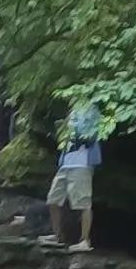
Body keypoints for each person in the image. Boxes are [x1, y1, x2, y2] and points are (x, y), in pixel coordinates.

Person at [49, 100, 103, 249]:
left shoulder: (92, 110)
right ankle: (57, 236)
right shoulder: (72, 111)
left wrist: (72, 128)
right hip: (66, 163)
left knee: (83, 203)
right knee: (53, 200)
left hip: (82, 162)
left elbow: (91, 133)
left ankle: (85, 240)